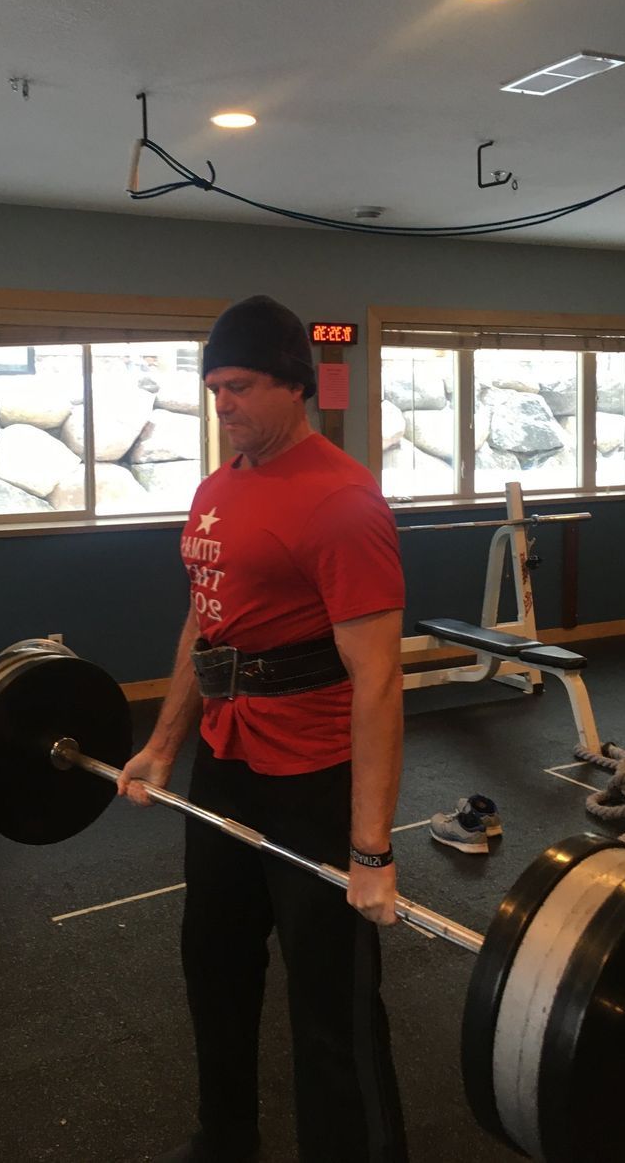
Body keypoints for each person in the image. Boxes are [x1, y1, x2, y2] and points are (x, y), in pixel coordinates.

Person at [117, 295, 409, 1163]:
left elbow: (380, 679)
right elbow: (206, 626)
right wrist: (164, 744)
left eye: (238, 387)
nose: (224, 406)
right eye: (213, 391)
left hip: (314, 777)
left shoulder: (342, 502)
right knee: (214, 962)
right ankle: (227, 1137)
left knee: (331, 1001)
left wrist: (371, 850)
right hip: (227, 760)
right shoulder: (219, 486)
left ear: (295, 384)